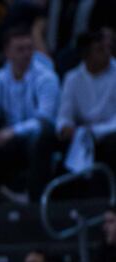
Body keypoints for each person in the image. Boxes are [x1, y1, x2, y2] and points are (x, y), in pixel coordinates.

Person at [0, 27, 60, 202]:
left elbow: (45, 118)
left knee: (41, 135)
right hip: (10, 136)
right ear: (7, 52)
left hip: (38, 135)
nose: (26, 53)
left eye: (29, 48)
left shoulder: (47, 77)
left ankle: (34, 199)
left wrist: (12, 132)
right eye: (20, 49)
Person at [56, 28, 116, 173]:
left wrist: (94, 131)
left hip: (109, 132)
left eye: (108, 48)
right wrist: (65, 127)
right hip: (81, 134)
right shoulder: (72, 78)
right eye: (100, 49)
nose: (107, 53)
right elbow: (64, 115)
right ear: (85, 55)